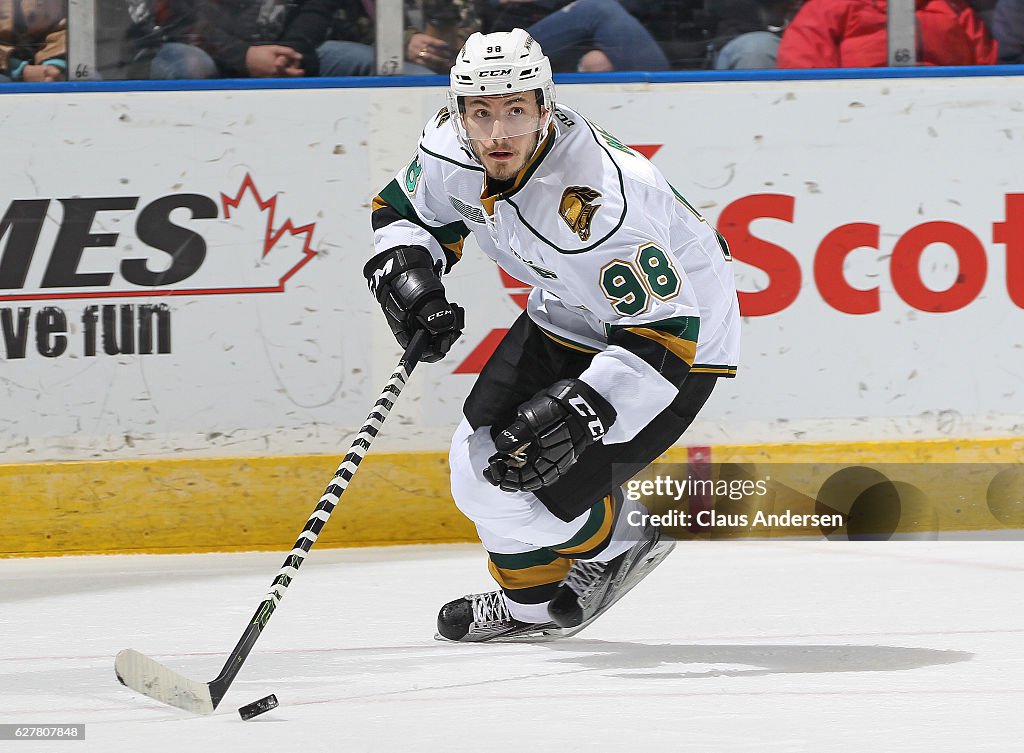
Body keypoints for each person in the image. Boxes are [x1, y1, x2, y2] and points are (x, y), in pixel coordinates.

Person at [364, 29, 739, 641]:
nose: (497, 134)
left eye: (516, 110)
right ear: (458, 111)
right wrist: (413, 281)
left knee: (533, 492)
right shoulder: (447, 149)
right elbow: (407, 214)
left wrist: (585, 410)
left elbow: (665, 333)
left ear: (545, 107)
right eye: (481, 112)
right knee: (476, 465)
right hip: (569, 309)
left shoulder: (597, 201)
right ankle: (530, 611)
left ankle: (621, 537)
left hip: (678, 336)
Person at [148, 0, 369, 79]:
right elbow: (180, 18)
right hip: (211, 55)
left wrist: (287, 55)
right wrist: (244, 58)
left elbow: (316, 7)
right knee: (188, 64)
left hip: (286, 57)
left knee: (364, 61)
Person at [776, 0, 997, 67]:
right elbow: (803, 65)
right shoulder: (830, 6)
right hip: (856, 109)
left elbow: (987, 65)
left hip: (947, 109)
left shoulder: (953, 9)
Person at [0, 0, 66, 82]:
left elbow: (67, 24)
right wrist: (19, 69)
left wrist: (55, 64)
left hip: (50, 62)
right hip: (5, 72)